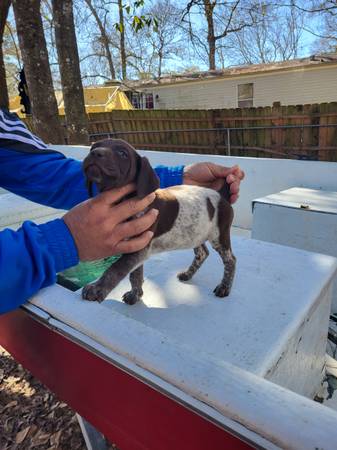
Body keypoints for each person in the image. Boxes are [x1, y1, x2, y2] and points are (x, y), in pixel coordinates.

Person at [0, 108, 244, 314]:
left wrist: (179, 176)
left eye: (120, 153)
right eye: (96, 149)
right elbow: (137, 249)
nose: (98, 151)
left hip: (211, 208)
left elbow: (47, 173)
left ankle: (226, 278)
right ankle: (138, 289)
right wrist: (62, 241)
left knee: (220, 249)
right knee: (143, 247)